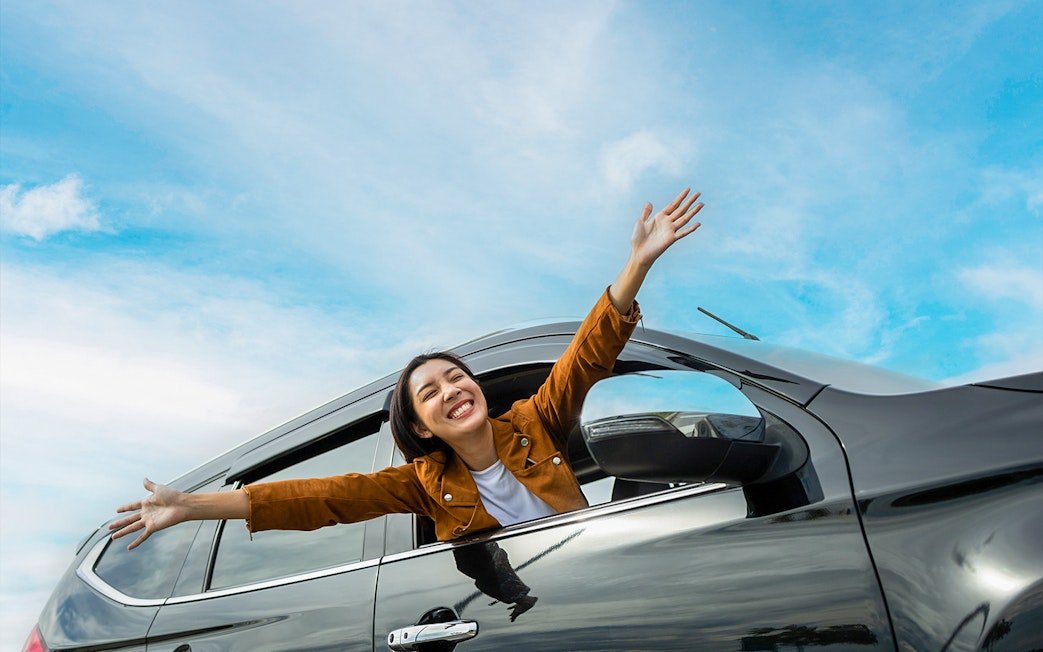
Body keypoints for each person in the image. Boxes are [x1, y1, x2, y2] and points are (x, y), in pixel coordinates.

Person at [110, 187, 704, 550]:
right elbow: (318, 498)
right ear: (421, 426)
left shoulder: (532, 424)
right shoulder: (422, 484)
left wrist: (636, 265)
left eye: (456, 376)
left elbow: (584, 358)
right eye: (430, 392)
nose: (452, 389)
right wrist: (191, 505)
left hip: (597, 570)